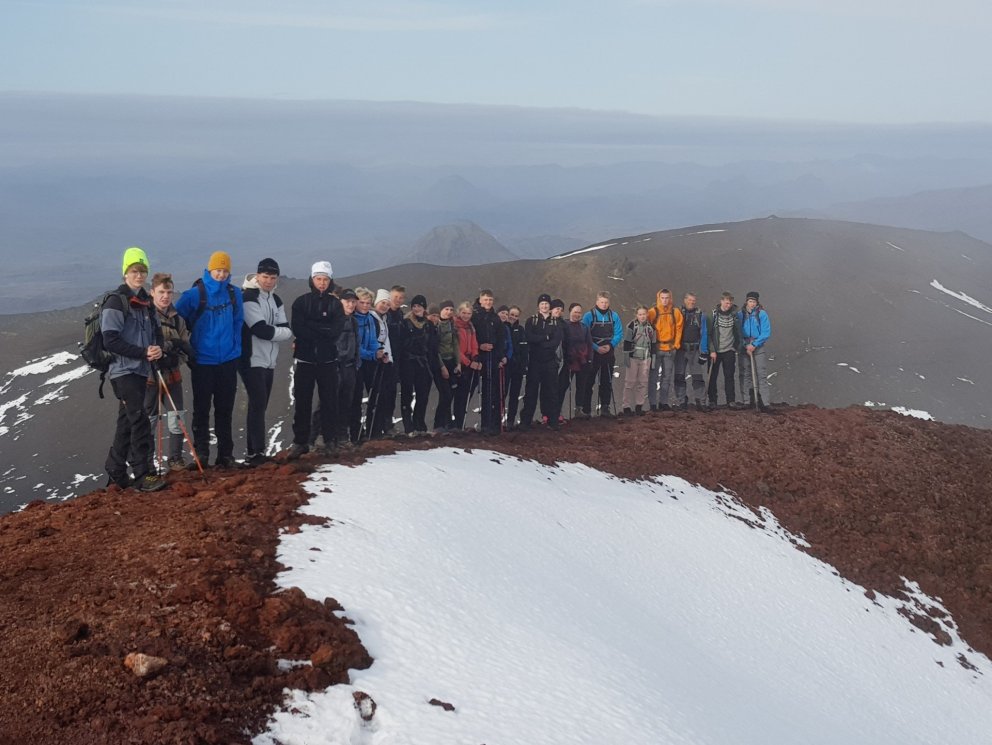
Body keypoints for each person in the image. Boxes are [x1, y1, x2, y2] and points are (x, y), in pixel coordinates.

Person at [102, 247, 166, 492]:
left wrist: (158, 349)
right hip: (123, 372)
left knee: (127, 422)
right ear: (125, 273)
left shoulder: (146, 303)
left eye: (142, 270)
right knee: (139, 420)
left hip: (140, 370)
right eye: (134, 270)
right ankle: (143, 475)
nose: (139, 275)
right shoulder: (116, 301)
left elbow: (156, 334)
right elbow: (110, 340)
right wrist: (143, 353)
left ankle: (116, 470)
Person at [174, 250, 244, 468]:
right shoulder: (195, 295)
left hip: (228, 361)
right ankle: (202, 455)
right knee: (202, 410)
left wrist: (236, 349)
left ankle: (226, 456)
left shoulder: (234, 294)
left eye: (225, 271)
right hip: (203, 361)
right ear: (209, 269)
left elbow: (238, 321)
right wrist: (187, 348)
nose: (221, 275)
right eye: (217, 270)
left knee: (225, 409)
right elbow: (176, 319)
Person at [287, 261, 345, 459]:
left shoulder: (335, 304)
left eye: (325, 279)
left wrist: (312, 326)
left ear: (330, 281)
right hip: (305, 360)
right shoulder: (301, 302)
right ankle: (300, 442)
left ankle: (330, 440)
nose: (322, 283)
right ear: (312, 279)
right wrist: (323, 329)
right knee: (302, 402)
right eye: (318, 279)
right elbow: (298, 329)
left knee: (330, 402)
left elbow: (336, 331)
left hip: (328, 361)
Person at [239, 258, 292, 466]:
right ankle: (256, 453)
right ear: (257, 275)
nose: (269, 281)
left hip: (269, 359)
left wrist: (276, 332)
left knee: (260, 404)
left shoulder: (275, 299)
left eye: (272, 277)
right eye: (265, 277)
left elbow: (283, 329)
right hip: (251, 358)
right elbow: (260, 328)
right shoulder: (249, 297)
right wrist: (279, 332)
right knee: (258, 403)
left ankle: (255, 452)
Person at [145, 272, 192, 473]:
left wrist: (175, 358)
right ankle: (146, 463)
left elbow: (186, 347)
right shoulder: (144, 317)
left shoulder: (177, 319)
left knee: (176, 417)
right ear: (152, 292)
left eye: (169, 292)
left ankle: (175, 459)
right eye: (161, 292)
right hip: (149, 378)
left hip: (173, 376)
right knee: (150, 420)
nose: (165, 296)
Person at [519, 294, 563, 431]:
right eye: (542, 304)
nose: (544, 306)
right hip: (534, 361)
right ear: (538, 305)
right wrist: (545, 337)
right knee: (531, 392)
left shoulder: (556, 322)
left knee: (551, 391)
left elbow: (556, 340)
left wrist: (542, 342)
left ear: (550, 306)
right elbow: (529, 337)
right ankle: (526, 422)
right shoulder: (531, 320)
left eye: (547, 304)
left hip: (550, 360)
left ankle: (553, 421)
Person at [580, 291, 623, 418]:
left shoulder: (614, 316)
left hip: (608, 352)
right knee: (589, 381)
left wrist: (610, 345)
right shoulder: (589, 316)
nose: (604, 305)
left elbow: (619, 333)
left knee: (607, 380)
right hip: (592, 353)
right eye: (601, 302)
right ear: (597, 302)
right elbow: (584, 333)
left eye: (606, 302)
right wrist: (596, 347)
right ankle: (586, 409)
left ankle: (605, 407)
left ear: (609, 303)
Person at [350, 287, 384, 442]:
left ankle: (372, 431)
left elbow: (372, 340)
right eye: (361, 302)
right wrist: (372, 354)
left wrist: (379, 350)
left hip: (369, 362)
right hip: (355, 363)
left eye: (367, 303)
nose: (364, 306)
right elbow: (355, 346)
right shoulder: (352, 319)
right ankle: (355, 432)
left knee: (374, 394)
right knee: (355, 399)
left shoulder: (370, 318)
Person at [400, 294, 436, 435]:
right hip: (408, 362)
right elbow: (401, 344)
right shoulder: (405, 323)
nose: (416, 309)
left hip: (424, 363)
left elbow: (433, 346)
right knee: (407, 395)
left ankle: (419, 423)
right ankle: (408, 425)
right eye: (414, 306)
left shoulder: (429, 325)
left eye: (419, 306)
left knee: (423, 395)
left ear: (424, 308)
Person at [472, 290, 507, 435]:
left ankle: (493, 425)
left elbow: (501, 339)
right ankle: (484, 424)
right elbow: (471, 336)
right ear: (480, 300)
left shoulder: (495, 318)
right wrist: (479, 346)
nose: (488, 302)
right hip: (478, 357)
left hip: (492, 357)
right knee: (480, 389)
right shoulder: (474, 316)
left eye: (490, 300)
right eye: (485, 299)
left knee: (492, 390)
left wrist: (499, 356)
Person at [647, 289, 683, 412]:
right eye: (662, 298)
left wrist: (676, 344)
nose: (665, 300)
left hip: (670, 349)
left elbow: (679, 328)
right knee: (653, 377)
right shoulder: (652, 312)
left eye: (667, 298)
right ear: (659, 298)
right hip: (656, 349)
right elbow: (647, 329)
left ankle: (663, 402)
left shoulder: (676, 312)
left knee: (667, 377)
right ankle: (652, 403)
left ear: (670, 298)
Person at [674, 292, 710, 412]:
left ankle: (700, 401)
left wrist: (704, 352)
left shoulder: (701, 315)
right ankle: (681, 401)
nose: (692, 302)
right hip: (680, 349)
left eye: (693, 300)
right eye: (689, 300)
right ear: (685, 300)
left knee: (698, 376)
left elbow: (704, 333)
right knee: (679, 376)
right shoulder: (677, 313)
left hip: (695, 350)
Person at [334, 288, 362, 448]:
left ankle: (342, 436)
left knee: (346, 403)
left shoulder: (353, 321)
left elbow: (356, 344)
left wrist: (356, 362)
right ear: (340, 302)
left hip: (350, 366)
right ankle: (320, 437)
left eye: (353, 301)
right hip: (337, 366)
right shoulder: (335, 320)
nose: (351, 304)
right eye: (347, 301)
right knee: (330, 402)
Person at [737, 291, 773, 411]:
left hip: (758, 347)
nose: (752, 304)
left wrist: (755, 344)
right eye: (750, 301)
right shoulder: (740, 315)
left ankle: (765, 402)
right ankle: (747, 401)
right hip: (744, 347)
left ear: (757, 303)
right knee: (745, 374)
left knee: (761, 374)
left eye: (754, 302)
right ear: (746, 301)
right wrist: (744, 344)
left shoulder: (762, 314)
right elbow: (737, 332)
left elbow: (766, 332)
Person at [367, 289, 395, 438]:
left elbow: (386, 340)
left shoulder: (383, 319)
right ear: (376, 302)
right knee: (376, 397)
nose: (384, 306)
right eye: (382, 303)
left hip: (383, 360)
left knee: (383, 396)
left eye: (387, 304)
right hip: (374, 360)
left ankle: (377, 429)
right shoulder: (372, 318)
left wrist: (389, 357)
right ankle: (372, 430)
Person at [706, 292, 743, 409]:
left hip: (729, 349)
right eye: (726, 303)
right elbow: (708, 334)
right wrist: (711, 350)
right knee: (712, 376)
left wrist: (736, 347)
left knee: (729, 376)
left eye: (730, 303)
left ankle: (731, 400)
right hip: (715, 350)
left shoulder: (735, 315)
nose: (728, 305)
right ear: (721, 301)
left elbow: (738, 332)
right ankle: (712, 400)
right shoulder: (713, 315)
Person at [380, 285, 407, 436]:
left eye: (400, 297)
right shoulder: (385, 314)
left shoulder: (400, 315)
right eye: (395, 297)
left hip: (397, 359)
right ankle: (380, 425)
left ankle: (388, 425)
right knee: (383, 393)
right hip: (384, 358)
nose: (397, 300)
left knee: (391, 393)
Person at [559, 302, 593, 420]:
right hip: (569, 361)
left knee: (581, 386)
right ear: (570, 312)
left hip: (582, 361)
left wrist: (589, 360)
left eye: (579, 312)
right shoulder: (564, 325)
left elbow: (589, 344)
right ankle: (557, 411)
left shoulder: (584, 327)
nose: (577, 314)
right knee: (562, 386)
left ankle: (579, 409)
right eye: (575, 312)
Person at [621, 306, 656, 416]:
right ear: (636, 315)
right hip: (633, 357)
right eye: (640, 314)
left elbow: (653, 344)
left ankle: (639, 405)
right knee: (630, 382)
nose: (642, 316)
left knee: (643, 382)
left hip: (646, 357)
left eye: (644, 314)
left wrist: (653, 358)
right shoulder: (632, 326)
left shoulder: (651, 328)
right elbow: (626, 342)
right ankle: (626, 406)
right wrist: (626, 357)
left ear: (647, 315)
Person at [452, 301, 481, 430]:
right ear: (459, 312)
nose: (466, 316)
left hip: (470, 361)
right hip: (460, 363)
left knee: (467, 393)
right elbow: (456, 348)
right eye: (464, 313)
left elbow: (474, 344)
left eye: (469, 313)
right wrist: (469, 363)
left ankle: (460, 422)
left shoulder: (471, 327)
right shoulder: (454, 326)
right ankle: (456, 422)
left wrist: (475, 356)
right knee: (460, 394)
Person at [433, 300, 461, 432]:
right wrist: (441, 366)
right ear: (441, 310)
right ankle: (438, 424)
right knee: (446, 394)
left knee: (452, 393)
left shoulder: (452, 324)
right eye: (446, 309)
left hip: (451, 362)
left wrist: (458, 363)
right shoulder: (436, 325)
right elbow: (435, 347)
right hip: (440, 363)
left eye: (451, 309)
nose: (449, 312)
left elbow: (455, 344)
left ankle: (447, 423)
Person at [504, 305, 527, 428]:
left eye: (516, 315)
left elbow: (524, 349)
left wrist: (524, 366)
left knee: (514, 395)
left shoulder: (521, 330)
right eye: (511, 314)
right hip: (506, 366)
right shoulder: (502, 327)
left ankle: (510, 421)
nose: (513, 317)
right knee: (503, 393)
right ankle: (499, 419)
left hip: (517, 367)